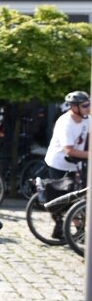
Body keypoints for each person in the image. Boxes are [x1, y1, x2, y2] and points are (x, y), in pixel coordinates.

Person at [43, 90, 90, 239]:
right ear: (74, 107)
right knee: (61, 197)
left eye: (89, 104)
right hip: (58, 163)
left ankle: (79, 229)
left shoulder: (86, 118)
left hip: (75, 163)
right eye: (85, 105)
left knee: (77, 195)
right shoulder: (65, 123)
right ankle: (60, 226)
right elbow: (69, 150)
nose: (88, 108)